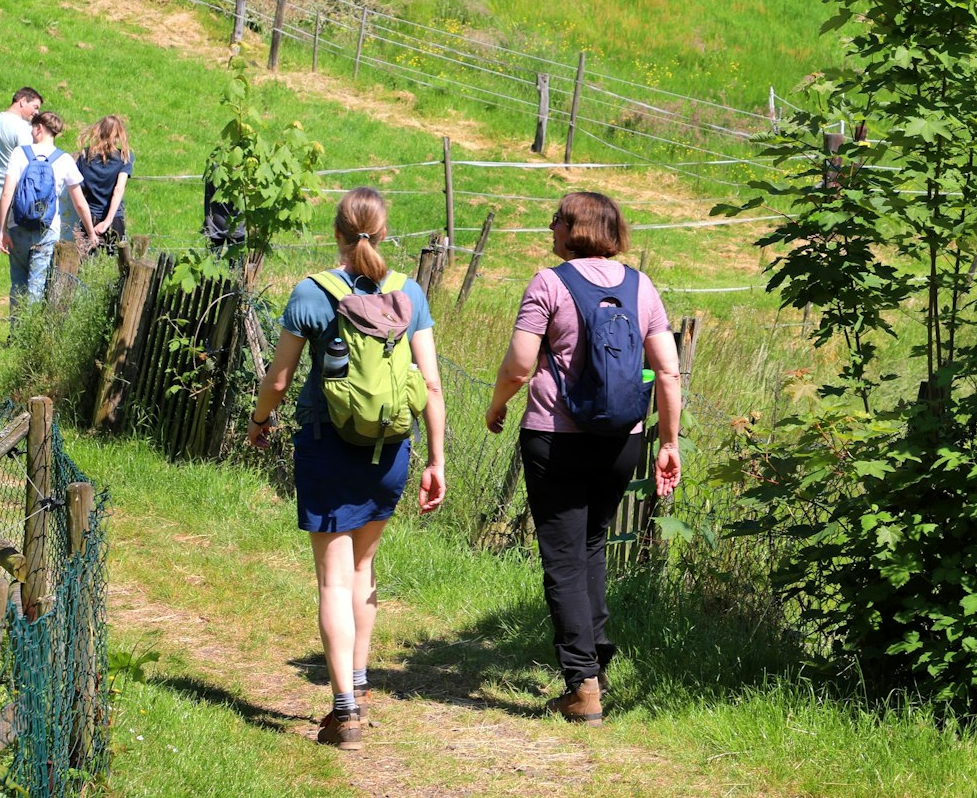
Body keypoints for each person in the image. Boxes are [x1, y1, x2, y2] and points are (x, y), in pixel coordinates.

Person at [247, 188, 447, 752]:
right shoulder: (408, 293)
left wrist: (260, 420)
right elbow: (431, 385)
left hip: (327, 445)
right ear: (384, 233)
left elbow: (280, 379)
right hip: (391, 451)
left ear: (336, 233)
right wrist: (436, 460)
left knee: (333, 579)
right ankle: (358, 686)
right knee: (363, 569)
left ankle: (345, 712)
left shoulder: (313, 293)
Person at [482, 191, 682, 727]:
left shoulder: (548, 283)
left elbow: (519, 366)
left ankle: (582, 686)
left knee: (563, 556)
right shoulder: (641, 287)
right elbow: (667, 371)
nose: (551, 228)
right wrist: (668, 441)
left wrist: (497, 404)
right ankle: (596, 664)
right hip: (623, 440)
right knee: (592, 544)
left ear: (574, 230)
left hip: (556, 438)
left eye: (556, 220)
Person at [0, 111, 96, 309]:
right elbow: (79, 202)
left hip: (17, 226)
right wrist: (91, 232)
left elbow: (7, 194)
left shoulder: (19, 153)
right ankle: (31, 328)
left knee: (18, 283)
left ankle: (16, 327)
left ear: (39, 128)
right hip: (47, 229)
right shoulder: (65, 159)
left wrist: (2, 230)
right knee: (37, 285)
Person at [0, 87, 41, 321]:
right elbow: (27, 161)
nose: (36, 113)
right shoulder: (23, 129)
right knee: (24, 248)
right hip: (13, 195)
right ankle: (24, 307)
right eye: (35, 107)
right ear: (22, 101)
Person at [72, 115, 133, 250]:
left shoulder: (83, 156)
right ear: (119, 135)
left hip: (88, 217)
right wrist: (107, 221)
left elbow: (80, 191)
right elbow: (118, 189)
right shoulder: (124, 157)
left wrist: (90, 230)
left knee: (85, 259)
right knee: (117, 259)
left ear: (98, 131)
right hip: (114, 218)